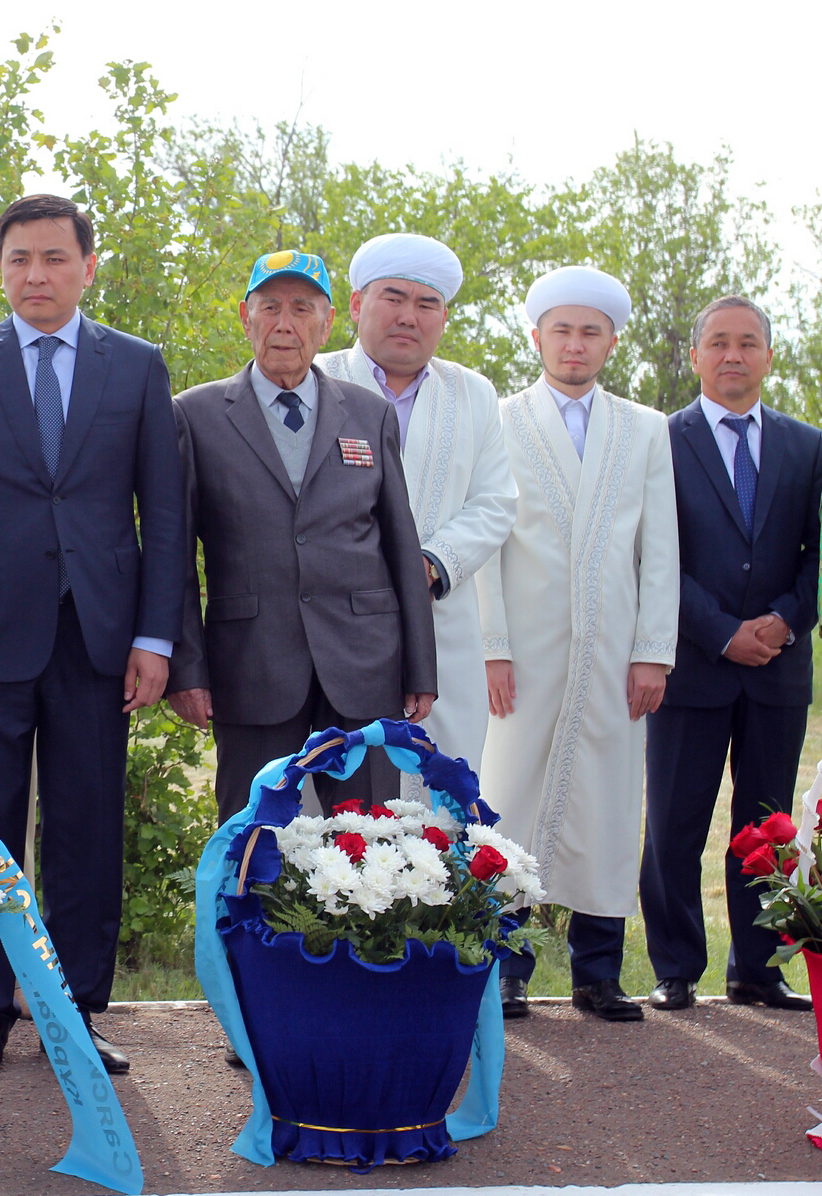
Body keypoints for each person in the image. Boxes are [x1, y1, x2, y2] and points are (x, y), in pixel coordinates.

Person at [0, 195, 187, 1077]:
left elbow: (165, 517)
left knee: (84, 828)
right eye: (19, 259)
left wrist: (155, 638)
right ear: (1, 270)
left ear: (86, 266)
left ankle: (76, 1011)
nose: (36, 275)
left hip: (99, 637)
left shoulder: (136, 367)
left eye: (54, 258)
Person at [168, 250, 437, 821]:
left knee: (368, 841)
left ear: (328, 321)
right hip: (252, 664)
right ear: (246, 317)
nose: (284, 323)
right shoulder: (196, 416)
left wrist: (419, 668)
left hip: (364, 665)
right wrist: (187, 672)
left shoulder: (369, 414)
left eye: (301, 309)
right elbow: (173, 557)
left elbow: (399, 542)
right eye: (270, 308)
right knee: (254, 836)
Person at [479, 266, 678, 1023]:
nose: (573, 344)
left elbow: (658, 547)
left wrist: (652, 649)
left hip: (613, 647)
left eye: (589, 331)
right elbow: (488, 541)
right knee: (508, 799)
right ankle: (507, 967)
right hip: (522, 651)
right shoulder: (497, 420)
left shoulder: (644, 428)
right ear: (535, 336)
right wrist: (491, 645)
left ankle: (597, 971)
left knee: (605, 801)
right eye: (560, 329)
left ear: (610, 342)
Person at [642, 295, 820, 1014]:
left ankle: (755, 967)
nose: (732, 355)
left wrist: (781, 620)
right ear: (694, 356)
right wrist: (720, 630)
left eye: (747, 342)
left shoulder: (807, 446)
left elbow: (816, 553)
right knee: (675, 822)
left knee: (766, 826)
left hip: (778, 668)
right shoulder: (658, 441)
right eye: (717, 342)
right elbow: (654, 554)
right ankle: (675, 967)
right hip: (690, 662)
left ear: (767, 355)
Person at [317, 235, 515, 790]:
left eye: (426, 304)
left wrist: (426, 566)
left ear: (443, 316)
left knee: (441, 797)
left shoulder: (473, 393)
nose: (409, 316)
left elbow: (495, 501)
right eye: (393, 297)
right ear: (356, 305)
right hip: (333, 629)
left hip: (442, 628)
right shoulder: (314, 378)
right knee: (336, 803)